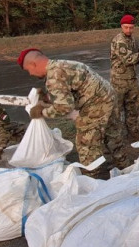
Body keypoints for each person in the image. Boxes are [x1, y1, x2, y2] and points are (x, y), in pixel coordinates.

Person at [18, 48, 129, 177]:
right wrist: (48, 98)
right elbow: (70, 91)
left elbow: (64, 107)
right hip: (108, 96)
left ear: (33, 64)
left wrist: (42, 112)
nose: (31, 74)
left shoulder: (53, 77)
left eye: (28, 70)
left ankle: (92, 178)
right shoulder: (62, 64)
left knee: (86, 144)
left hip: (96, 104)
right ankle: (124, 165)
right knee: (113, 133)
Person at [109, 14, 139, 141]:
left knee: (134, 103)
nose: (128, 30)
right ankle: (114, 136)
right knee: (117, 108)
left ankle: (133, 131)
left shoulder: (132, 39)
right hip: (119, 80)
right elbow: (128, 59)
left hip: (131, 78)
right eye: (126, 27)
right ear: (121, 27)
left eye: (131, 28)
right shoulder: (119, 41)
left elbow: (137, 55)